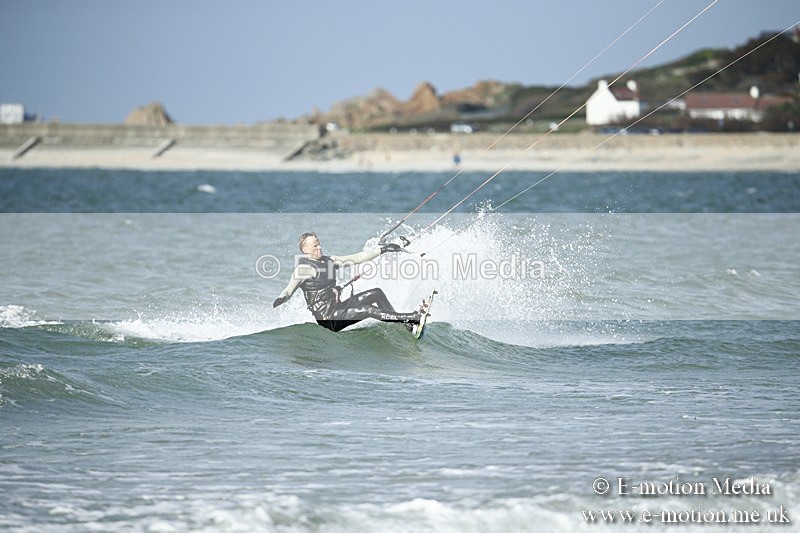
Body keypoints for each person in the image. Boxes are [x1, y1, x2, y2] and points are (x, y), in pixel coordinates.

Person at [272, 232, 423, 332]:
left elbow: (358, 257)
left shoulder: (330, 260)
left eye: (319, 244)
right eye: (315, 246)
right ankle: (410, 318)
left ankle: (403, 324)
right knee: (367, 310)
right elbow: (288, 290)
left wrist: (383, 250)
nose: (320, 247)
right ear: (305, 250)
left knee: (376, 293)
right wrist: (281, 298)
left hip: (338, 309)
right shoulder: (303, 269)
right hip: (328, 318)